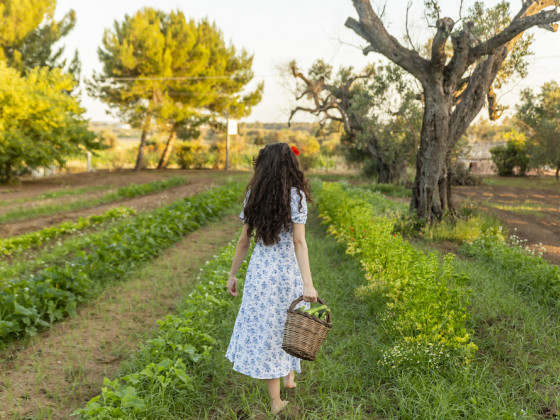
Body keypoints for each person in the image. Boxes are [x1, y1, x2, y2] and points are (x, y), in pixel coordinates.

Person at [225, 142, 318, 415]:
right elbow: (299, 243)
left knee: (268, 330)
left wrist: (233, 275)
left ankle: (279, 393)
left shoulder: (254, 195)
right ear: (290, 166)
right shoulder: (296, 197)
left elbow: (243, 241)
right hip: (287, 272)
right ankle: (282, 389)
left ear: (263, 167)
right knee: (290, 323)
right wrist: (308, 283)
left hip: (261, 273)